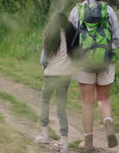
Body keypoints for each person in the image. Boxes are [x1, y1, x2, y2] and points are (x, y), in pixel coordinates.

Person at [68, 0, 119, 152]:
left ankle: (88, 142)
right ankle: (108, 123)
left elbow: (69, 39)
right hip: (105, 61)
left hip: (83, 62)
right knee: (103, 98)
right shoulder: (108, 10)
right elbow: (118, 37)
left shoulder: (76, 11)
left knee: (87, 102)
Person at [36, 11, 76, 153]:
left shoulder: (51, 34)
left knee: (45, 102)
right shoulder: (71, 34)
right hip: (65, 75)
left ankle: (45, 134)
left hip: (51, 75)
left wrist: (43, 66)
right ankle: (64, 143)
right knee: (61, 108)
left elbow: (44, 59)